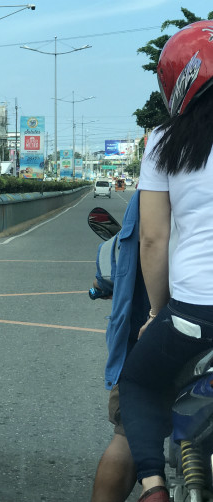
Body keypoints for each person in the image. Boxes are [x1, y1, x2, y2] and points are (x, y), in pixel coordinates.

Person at [118, 20, 213, 502]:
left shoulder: (164, 141)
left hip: (195, 312)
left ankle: (154, 483)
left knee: (136, 381)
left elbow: (153, 239)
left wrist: (157, 313)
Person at [89, 191, 149, 502]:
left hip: (160, 323)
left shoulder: (166, 157)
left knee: (128, 434)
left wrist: (154, 313)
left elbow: (141, 241)